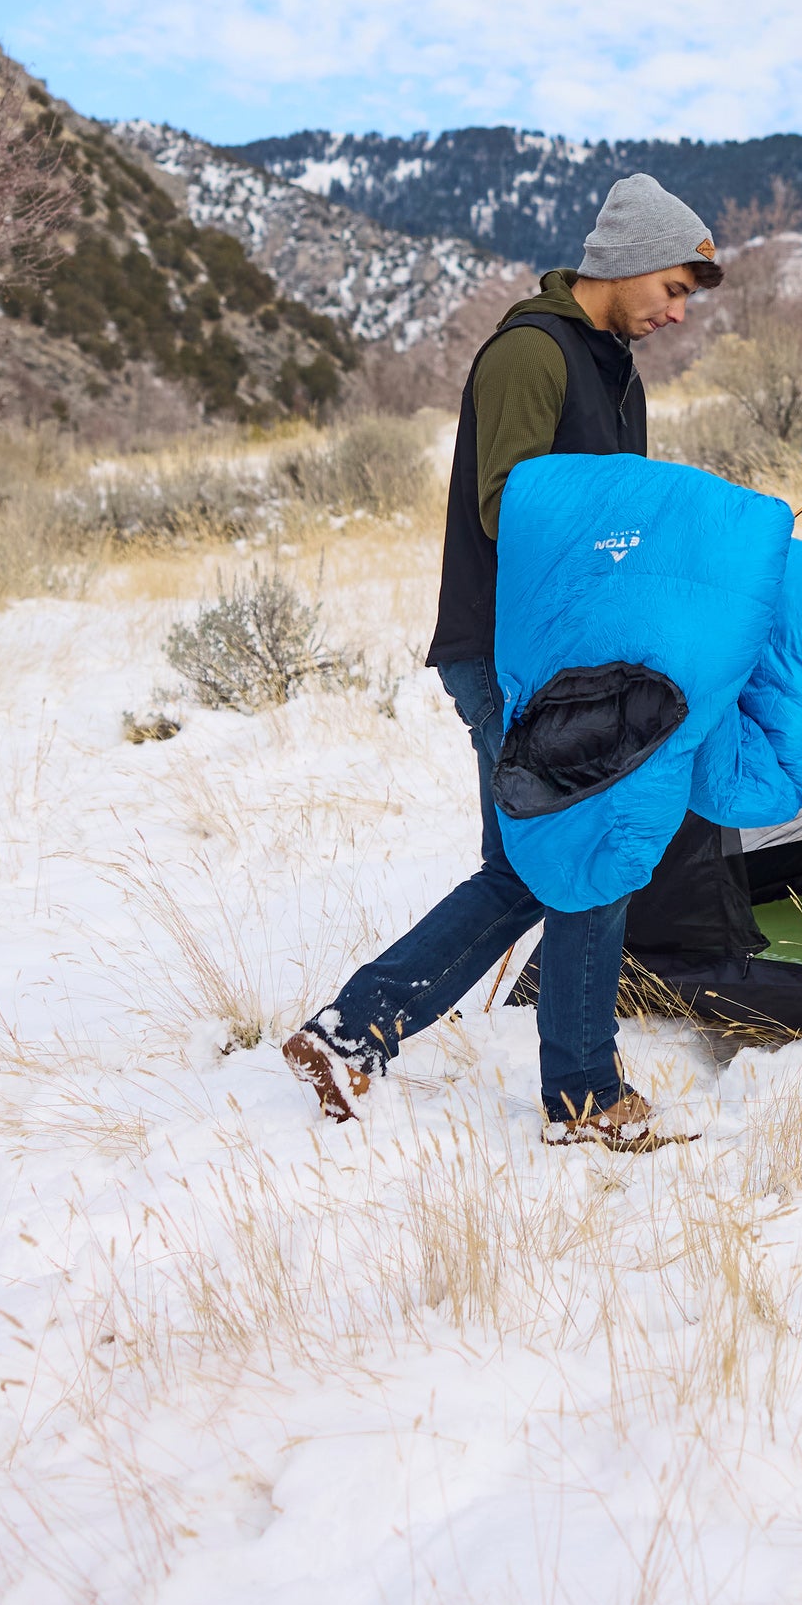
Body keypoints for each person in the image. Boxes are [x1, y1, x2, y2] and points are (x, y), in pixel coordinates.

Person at [283, 173, 723, 1148]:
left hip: (567, 657)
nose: (678, 311)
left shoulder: (612, 367)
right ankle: (581, 1095)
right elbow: (511, 509)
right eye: (673, 287)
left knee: (533, 869)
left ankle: (354, 1034)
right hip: (511, 655)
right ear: (627, 261)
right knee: (578, 859)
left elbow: (615, 515)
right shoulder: (532, 352)